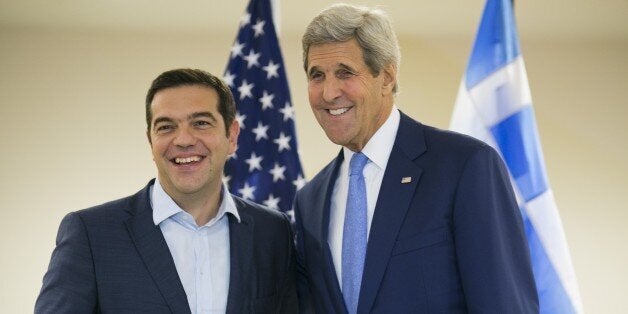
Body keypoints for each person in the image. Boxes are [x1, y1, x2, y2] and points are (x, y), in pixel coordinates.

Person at [294, 4, 539, 313]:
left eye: (345, 73)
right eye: (317, 76)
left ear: (386, 77)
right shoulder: (309, 201)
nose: (329, 93)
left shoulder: (465, 166)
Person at [36, 68, 298, 313]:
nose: (183, 140)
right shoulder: (91, 234)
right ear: (151, 141)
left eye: (201, 123)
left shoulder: (273, 232)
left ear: (232, 136)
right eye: (166, 127)